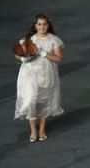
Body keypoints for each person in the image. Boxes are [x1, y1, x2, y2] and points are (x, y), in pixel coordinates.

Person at [14, 14, 64, 142]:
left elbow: (58, 58)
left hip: (47, 74)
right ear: (35, 26)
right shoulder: (29, 39)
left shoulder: (54, 40)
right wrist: (22, 58)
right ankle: (33, 130)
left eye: (44, 24)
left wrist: (45, 54)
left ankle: (41, 129)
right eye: (39, 24)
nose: (42, 27)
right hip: (29, 74)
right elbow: (18, 53)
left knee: (44, 101)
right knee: (30, 100)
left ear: (48, 25)